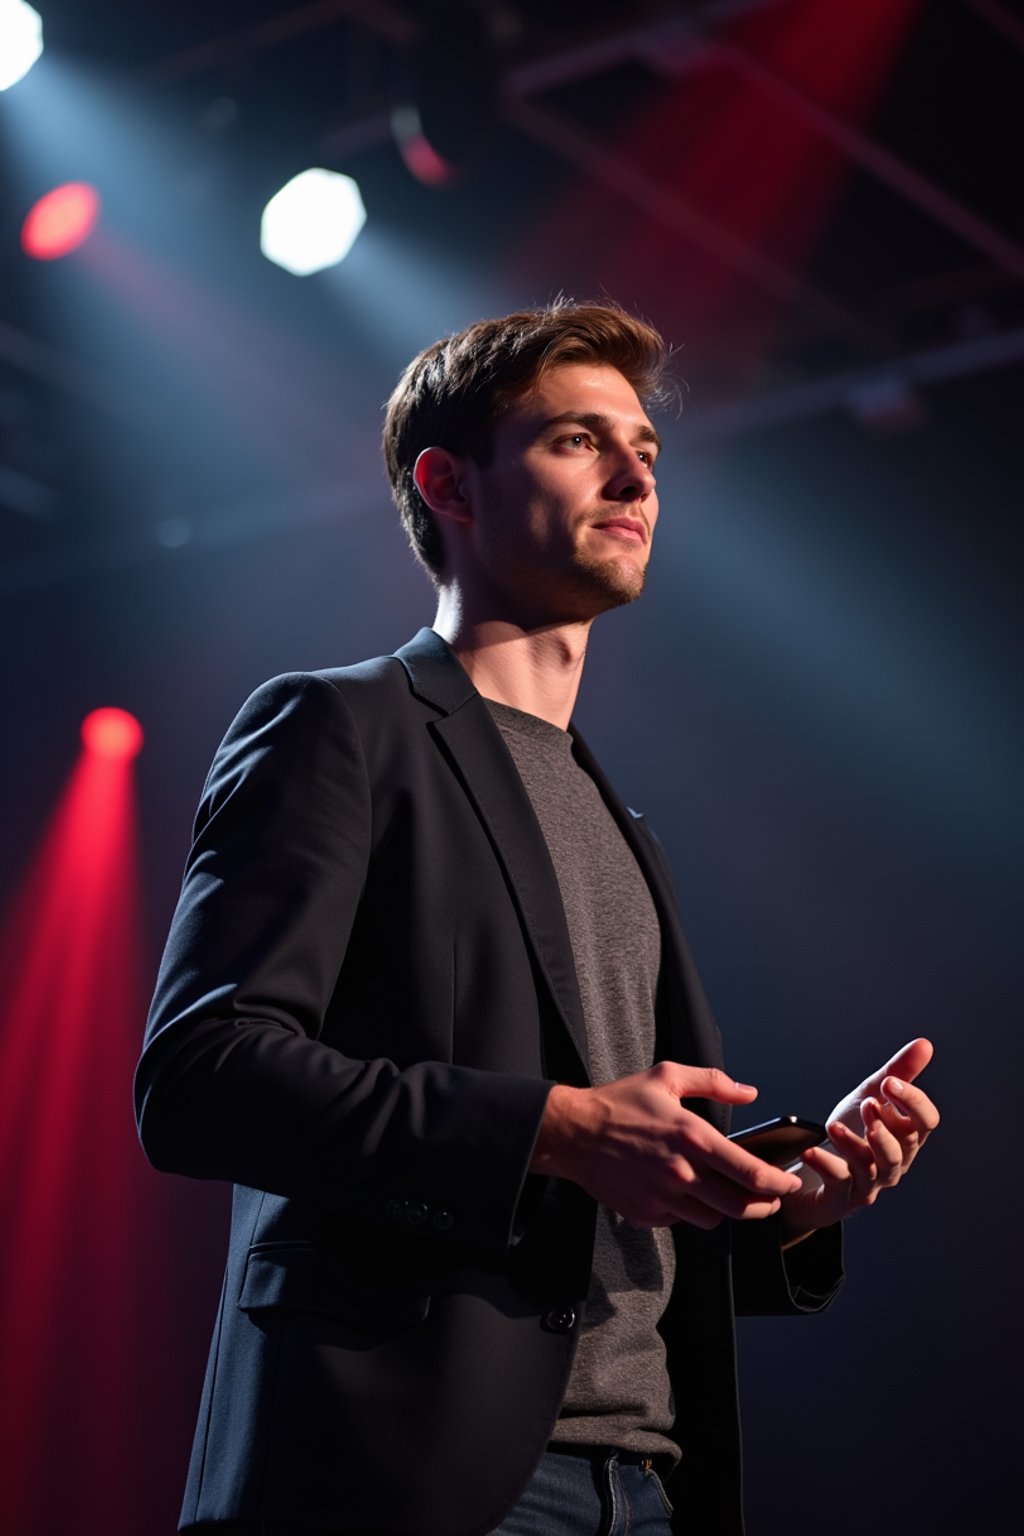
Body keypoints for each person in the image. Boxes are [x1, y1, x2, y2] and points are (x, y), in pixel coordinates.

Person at [135, 301, 938, 1536]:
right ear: (448, 484)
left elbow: (613, 1202)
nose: (634, 475)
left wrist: (780, 1204)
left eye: (646, 452)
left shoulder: (621, 822)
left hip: (644, 1484)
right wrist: (553, 1127)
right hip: (408, 1475)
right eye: (578, 440)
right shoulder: (337, 730)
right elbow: (200, 1077)